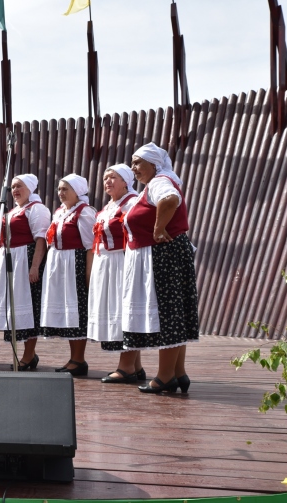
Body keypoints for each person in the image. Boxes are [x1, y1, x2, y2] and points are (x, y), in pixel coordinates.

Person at [122, 142, 199, 394]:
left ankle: (165, 376)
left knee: (167, 313)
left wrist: (157, 228)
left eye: (138, 162)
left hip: (163, 254)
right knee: (174, 311)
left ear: (154, 164)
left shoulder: (159, 182)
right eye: (132, 163)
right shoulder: (155, 183)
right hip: (168, 253)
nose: (134, 168)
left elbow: (170, 199)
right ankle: (178, 373)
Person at [86, 165, 145, 383]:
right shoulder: (111, 205)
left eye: (113, 177)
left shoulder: (132, 202)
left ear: (126, 180)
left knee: (123, 310)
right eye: (105, 177)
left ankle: (126, 366)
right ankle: (135, 366)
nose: (108, 181)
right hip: (106, 262)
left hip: (121, 261)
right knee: (116, 309)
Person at [0, 174, 51, 370]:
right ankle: (26, 354)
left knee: (28, 307)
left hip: (25, 259)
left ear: (30, 188)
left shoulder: (37, 209)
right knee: (15, 307)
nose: (15, 190)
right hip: (10, 261)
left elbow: (40, 240)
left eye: (19, 186)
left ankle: (28, 354)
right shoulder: (13, 210)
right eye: (13, 187)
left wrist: (34, 267)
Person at [40, 174, 96, 376]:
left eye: (66, 189)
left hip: (75, 264)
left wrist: (89, 274)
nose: (61, 193)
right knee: (67, 312)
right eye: (59, 189)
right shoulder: (60, 212)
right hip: (59, 265)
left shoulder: (85, 213)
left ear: (78, 191)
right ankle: (74, 358)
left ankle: (78, 359)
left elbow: (90, 246)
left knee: (77, 311)